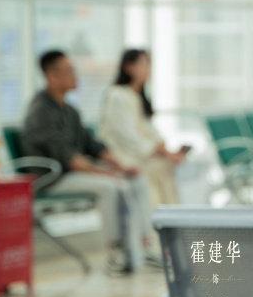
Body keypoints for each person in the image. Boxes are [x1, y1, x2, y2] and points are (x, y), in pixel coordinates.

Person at [22, 49, 154, 274]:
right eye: (69, 71)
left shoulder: (69, 110)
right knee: (111, 187)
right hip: (53, 179)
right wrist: (107, 173)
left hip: (73, 174)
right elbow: (70, 159)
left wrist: (120, 165)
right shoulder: (41, 112)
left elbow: (92, 145)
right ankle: (116, 252)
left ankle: (144, 244)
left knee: (136, 179)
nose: (75, 75)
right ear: (51, 76)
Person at [99, 49, 185, 208]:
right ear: (128, 67)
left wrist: (165, 149)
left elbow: (148, 130)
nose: (147, 69)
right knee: (158, 167)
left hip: (140, 152)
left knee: (165, 164)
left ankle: (169, 215)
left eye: (148, 65)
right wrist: (159, 150)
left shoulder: (136, 96)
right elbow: (127, 135)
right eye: (143, 64)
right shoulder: (117, 95)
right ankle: (156, 217)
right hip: (123, 154)